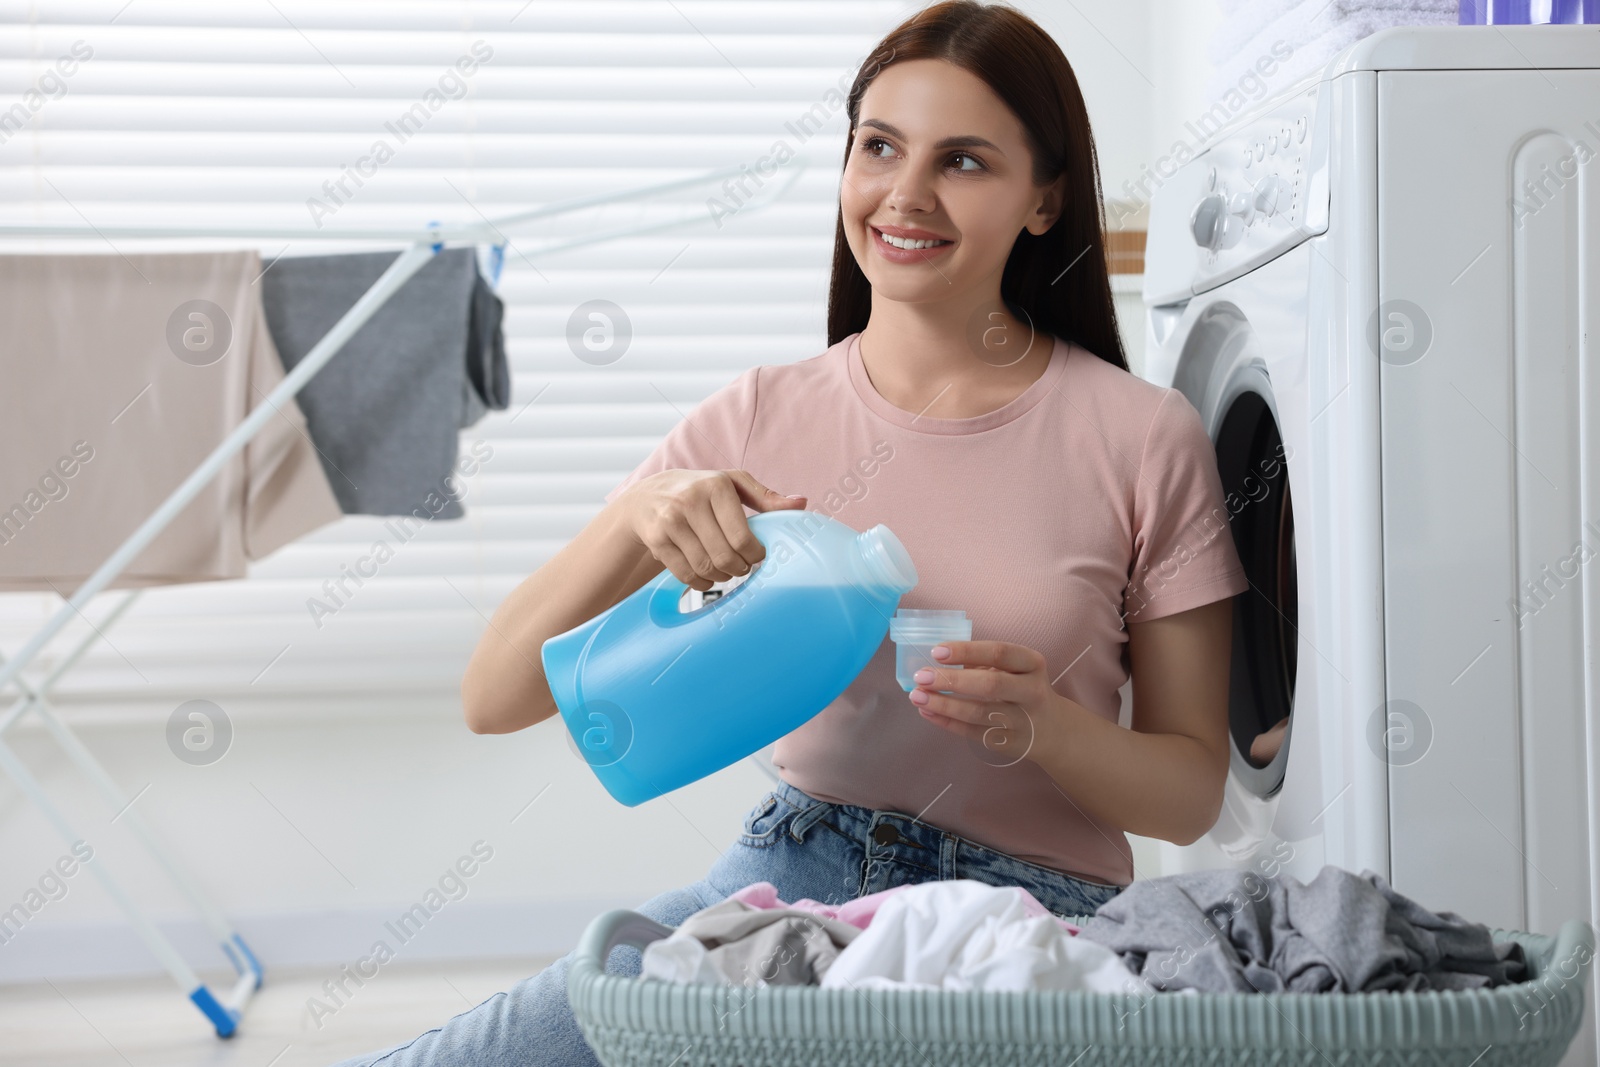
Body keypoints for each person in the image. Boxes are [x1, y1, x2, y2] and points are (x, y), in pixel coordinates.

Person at [330, 2, 1248, 1063]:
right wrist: (640, 515)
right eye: (878, 147)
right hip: (791, 897)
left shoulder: (1141, 435)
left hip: (1027, 932)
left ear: (1043, 199)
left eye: (962, 161)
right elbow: (495, 695)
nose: (904, 194)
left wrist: (1042, 722)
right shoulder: (756, 420)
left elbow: (1186, 792)